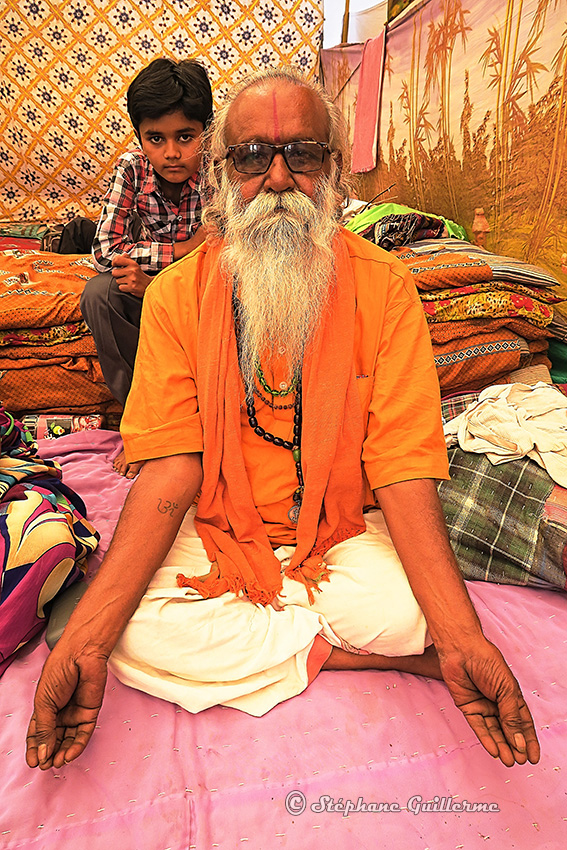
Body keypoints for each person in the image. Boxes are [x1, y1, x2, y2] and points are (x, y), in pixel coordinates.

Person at [27, 67, 540, 772]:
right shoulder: (177, 294)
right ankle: (348, 655)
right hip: (216, 528)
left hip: (341, 531)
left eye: (300, 153)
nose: (275, 179)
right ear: (221, 174)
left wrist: (459, 638)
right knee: (121, 634)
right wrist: (86, 639)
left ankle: (315, 639)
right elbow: (173, 464)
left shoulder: (383, 287)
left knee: (425, 616)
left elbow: (401, 464)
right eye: (250, 157)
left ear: (331, 170)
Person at [80, 57, 213, 477]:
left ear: (205, 131)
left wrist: (156, 284)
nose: (171, 153)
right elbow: (104, 249)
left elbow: (226, 248)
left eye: (185, 137)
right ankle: (145, 423)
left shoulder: (220, 169)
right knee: (100, 293)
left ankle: (203, 423)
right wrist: (186, 248)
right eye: (155, 138)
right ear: (140, 135)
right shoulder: (132, 168)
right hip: (150, 287)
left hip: (200, 297)